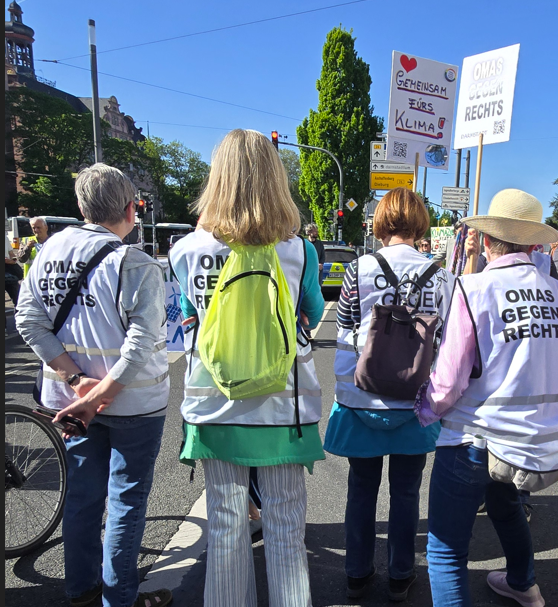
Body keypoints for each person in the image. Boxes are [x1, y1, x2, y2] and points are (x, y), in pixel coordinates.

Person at [417, 189, 558, 607]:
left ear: (486, 241)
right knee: (506, 507)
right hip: (538, 444)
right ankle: (523, 583)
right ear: (534, 245)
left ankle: (521, 583)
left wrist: (424, 410)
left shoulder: (474, 288)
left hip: (475, 439)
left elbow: (447, 383)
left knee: (446, 550)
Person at [169, 129, 325, 607]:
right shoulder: (298, 251)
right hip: (283, 408)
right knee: (284, 530)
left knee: (226, 527)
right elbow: (312, 315)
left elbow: (190, 317)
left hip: (213, 402)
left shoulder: (185, 251)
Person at [16, 163, 172, 607]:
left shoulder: (47, 251)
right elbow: (143, 342)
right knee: (125, 501)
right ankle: (119, 599)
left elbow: (28, 321)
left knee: (83, 495)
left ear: (81, 207)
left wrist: (76, 381)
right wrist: (99, 394)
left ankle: (81, 588)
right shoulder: (133, 262)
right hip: (133, 404)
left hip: (68, 400)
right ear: (130, 209)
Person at [326, 187, 453, 601]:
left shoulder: (358, 269)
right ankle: (401, 574)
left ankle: (357, 574)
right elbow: (448, 339)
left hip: (363, 399)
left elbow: (344, 328)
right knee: (406, 492)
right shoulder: (443, 276)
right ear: (420, 223)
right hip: (415, 401)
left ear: (380, 222)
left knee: (361, 489)